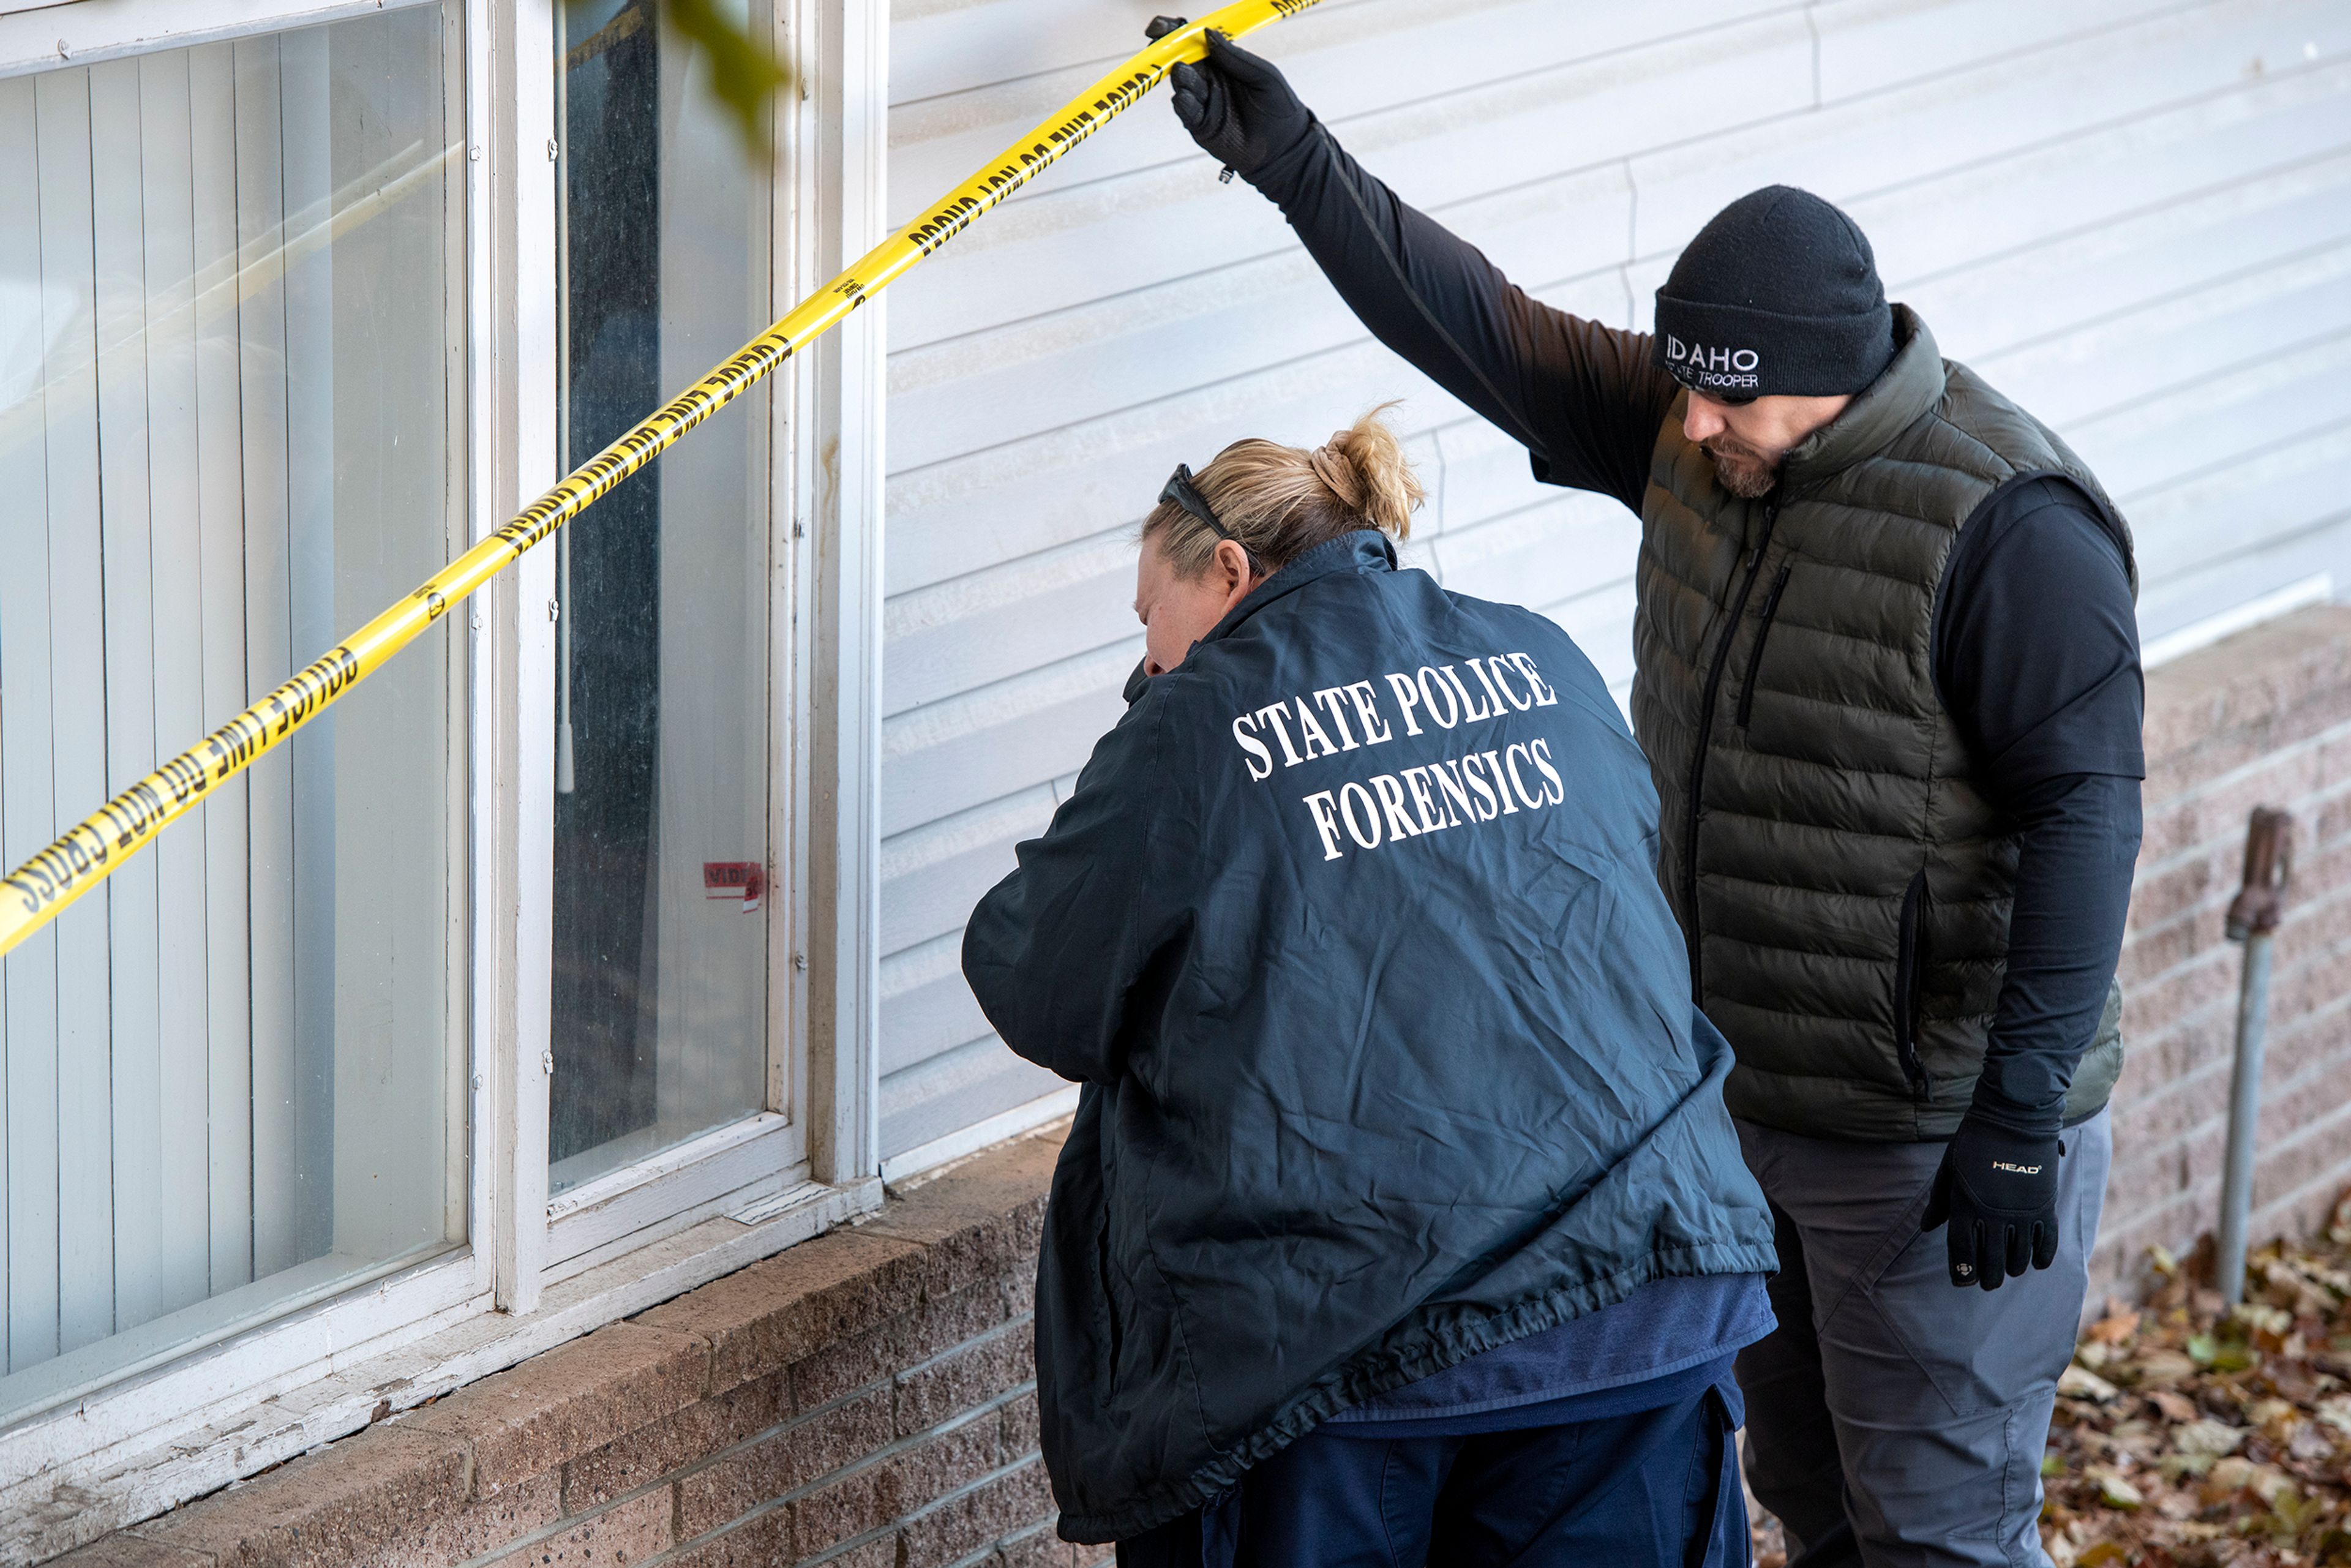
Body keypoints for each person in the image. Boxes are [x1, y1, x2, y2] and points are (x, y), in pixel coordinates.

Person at [1161, 34, 2147, 1568]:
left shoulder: (2013, 528)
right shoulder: (1704, 440)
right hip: (1732, 1114)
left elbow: (2089, 817)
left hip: (1929, 1141)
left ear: (1822, 379)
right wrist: (1294, 162)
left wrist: (2017, 1117)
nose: (1684, 423)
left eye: (1723, 401)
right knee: (1814, 1511)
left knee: (1942, 1532)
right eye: (1683, 386)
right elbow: (1478, 325)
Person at [962, 408, 1779, 1564]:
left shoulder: (1200, 720)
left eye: (1151, 615)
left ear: (1231, 570)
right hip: (1640, 1300)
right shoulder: (1540, 653)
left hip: (1341, 1351)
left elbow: (1029, 973)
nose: (1146, 654)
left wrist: (1166, 723)